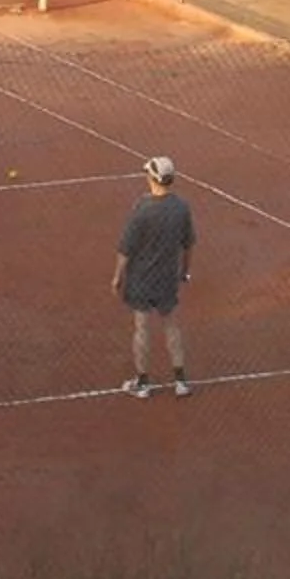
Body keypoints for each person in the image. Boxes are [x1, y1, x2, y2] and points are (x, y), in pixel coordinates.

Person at [112, 155, 197, 399]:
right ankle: (181, 381)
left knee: (141, 328)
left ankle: (143, 383)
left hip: (141, 279)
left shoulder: (142, 209)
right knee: (171, 326)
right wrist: (185, 271)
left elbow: (126, 249)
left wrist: (117, 277)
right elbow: (188, 244)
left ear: (152, 178)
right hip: (167, 277)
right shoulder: (181, 207)